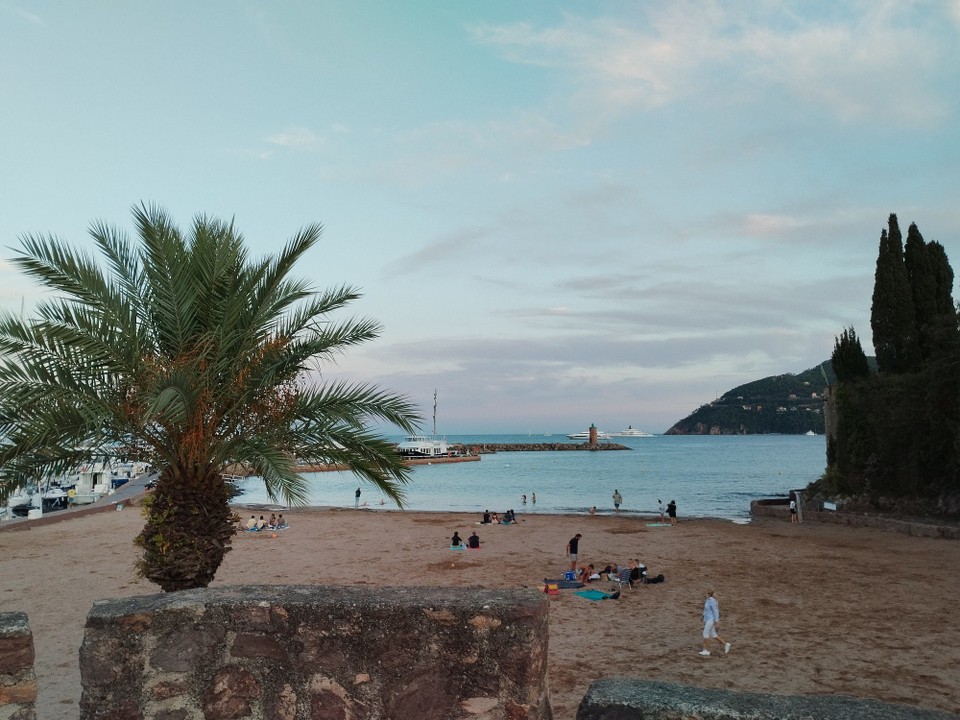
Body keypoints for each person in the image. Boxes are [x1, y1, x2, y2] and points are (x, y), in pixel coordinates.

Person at [700, 589, 731, 656]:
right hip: (708, 619)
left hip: (710, 620)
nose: (705, 595)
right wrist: (702, 616)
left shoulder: (712, 600)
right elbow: (706, 610)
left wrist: (717, 622)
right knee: (713, 634)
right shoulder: (708, 600)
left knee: (705, 634)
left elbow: (715, 611)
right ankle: (726, 644)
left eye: (706, 593)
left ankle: (706, 651)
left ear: (708, 594)